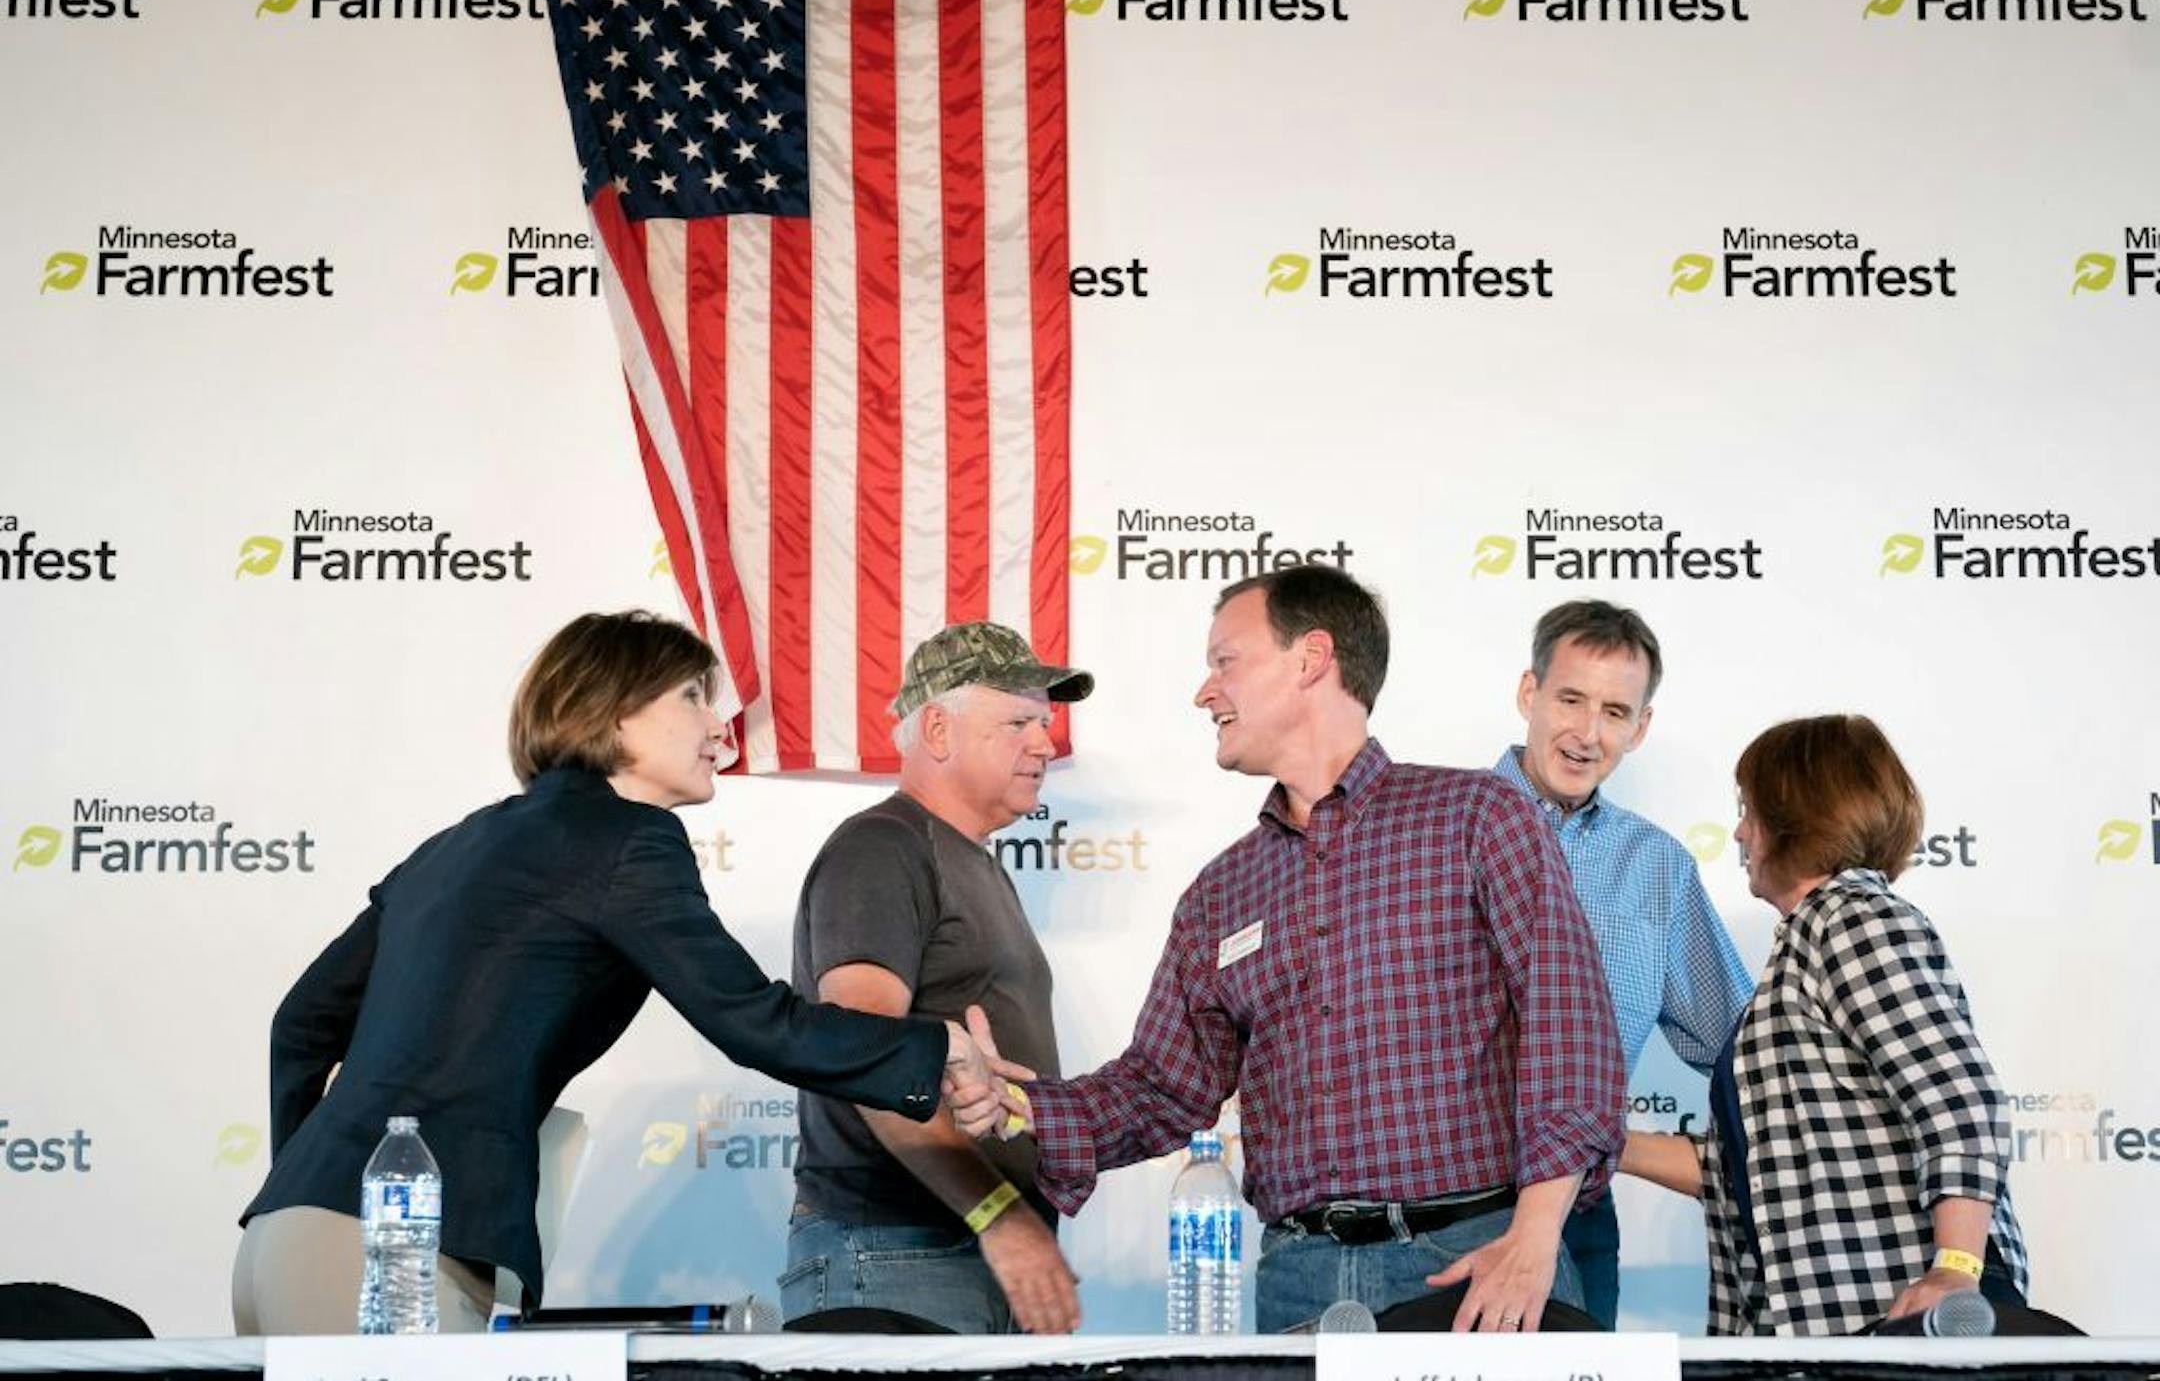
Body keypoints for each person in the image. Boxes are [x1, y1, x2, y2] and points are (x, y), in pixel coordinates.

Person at [232, 610, 1008, 1335]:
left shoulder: (460, 840)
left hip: (287, 1242)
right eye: (692, 696)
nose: (719, 724)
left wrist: (313, 1184)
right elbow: (755, 1021)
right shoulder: (629, 838)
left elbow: (301, 1025)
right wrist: (934, 1049)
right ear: (612, 713)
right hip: (394, 1252)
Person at [990, 565, 1626, 1334]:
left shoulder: (1477, 818)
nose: (1205, 690)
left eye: (1225, 660)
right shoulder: (1220, 891)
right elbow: (1163, 1086)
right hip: (1300, 1282)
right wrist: (1016, 1103)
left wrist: (1533, 1237)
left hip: (1478, 1266)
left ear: (1310, 658)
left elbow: (1571, 1031)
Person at [1617, 715, 2029, 1335]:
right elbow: (1749, 1170)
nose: (1738, 832)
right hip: (1825, 1326)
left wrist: (1956, 1268)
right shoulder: (1807, 943)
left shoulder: (1852, 920)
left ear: (1796, 818)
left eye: (1750, 811)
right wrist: (1603, 1140)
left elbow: (1960, 1101)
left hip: (1899, 1326)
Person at [782, 622, 1091, 1335]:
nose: (1045, 743)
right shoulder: (883, 847)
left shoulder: (972, 863)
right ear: (940, 729)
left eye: (1045, 722)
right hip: (899, 1254)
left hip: (963, 1254)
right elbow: (867, 1053)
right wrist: (996, 1211)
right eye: (1019, 721)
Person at [1495, 600, 1752, 1327]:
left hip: (1577, 1214)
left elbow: (1746, 1052)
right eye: (1570, 699)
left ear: (1640, 727)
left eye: (1614, 711)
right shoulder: (1439, 827)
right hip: (1430, 1206)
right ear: (1529, 693)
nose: (1586, 732)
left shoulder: (1658, 868)